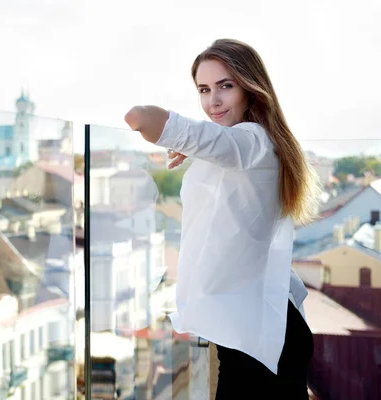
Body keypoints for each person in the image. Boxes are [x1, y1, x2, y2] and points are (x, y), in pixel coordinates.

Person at [124, 39, 318, 399]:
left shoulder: (251, 140)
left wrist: (195, 138)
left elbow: (139, 118)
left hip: (255, 340)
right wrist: (203, 143)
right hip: (255, 328)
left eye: (225, 86)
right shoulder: (256, 143)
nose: (212, 101)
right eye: (203, 89)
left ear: (250, 87)